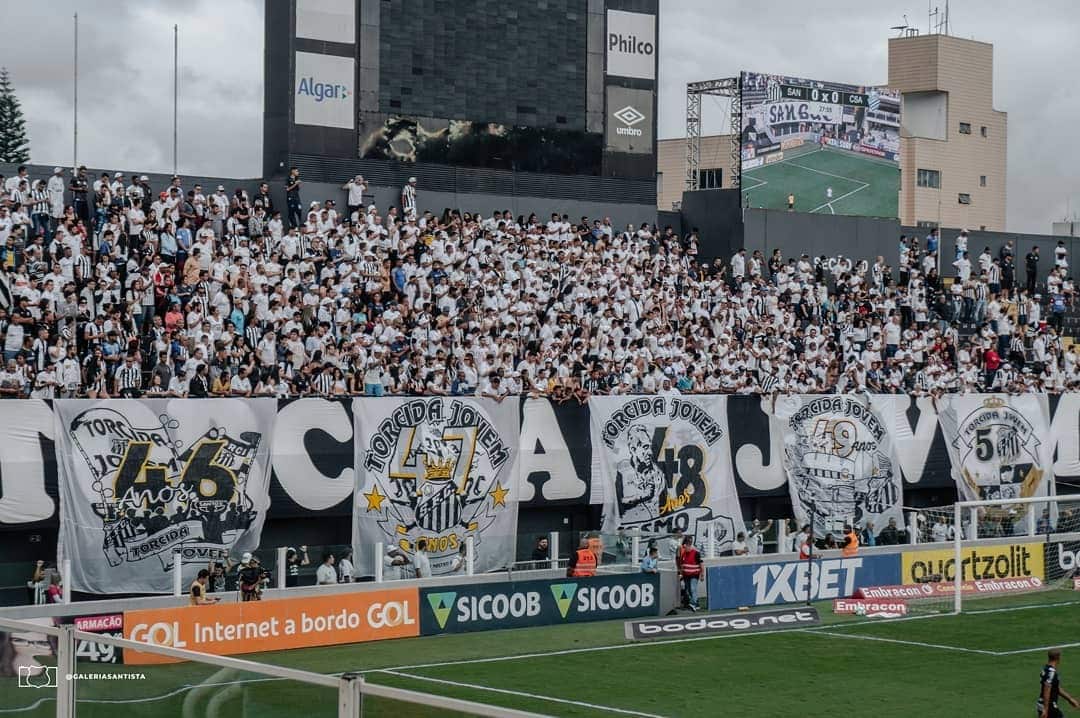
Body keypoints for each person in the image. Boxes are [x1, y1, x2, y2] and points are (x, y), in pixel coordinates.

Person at [1040, 649, 1079, 718]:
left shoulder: (1046, 669)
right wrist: (1045, 709)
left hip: (1043, 704)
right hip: (1050, 706)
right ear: (1058, 658)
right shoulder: (1051, 673)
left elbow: (1055, 688)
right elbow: (1047, 689)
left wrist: (1069, 699)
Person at [676, 535, 702, 611]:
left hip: (692, 572)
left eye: (691, 540)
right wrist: (679, 570)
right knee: (688, 588)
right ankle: (692, 603)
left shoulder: (693, 549)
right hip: (684, 571)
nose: (690, 542)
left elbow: (699, 561)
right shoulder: (680, 548)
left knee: (691, 588)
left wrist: (701, 573)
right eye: (688, 540)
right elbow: (678, 560)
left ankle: (693, 603)